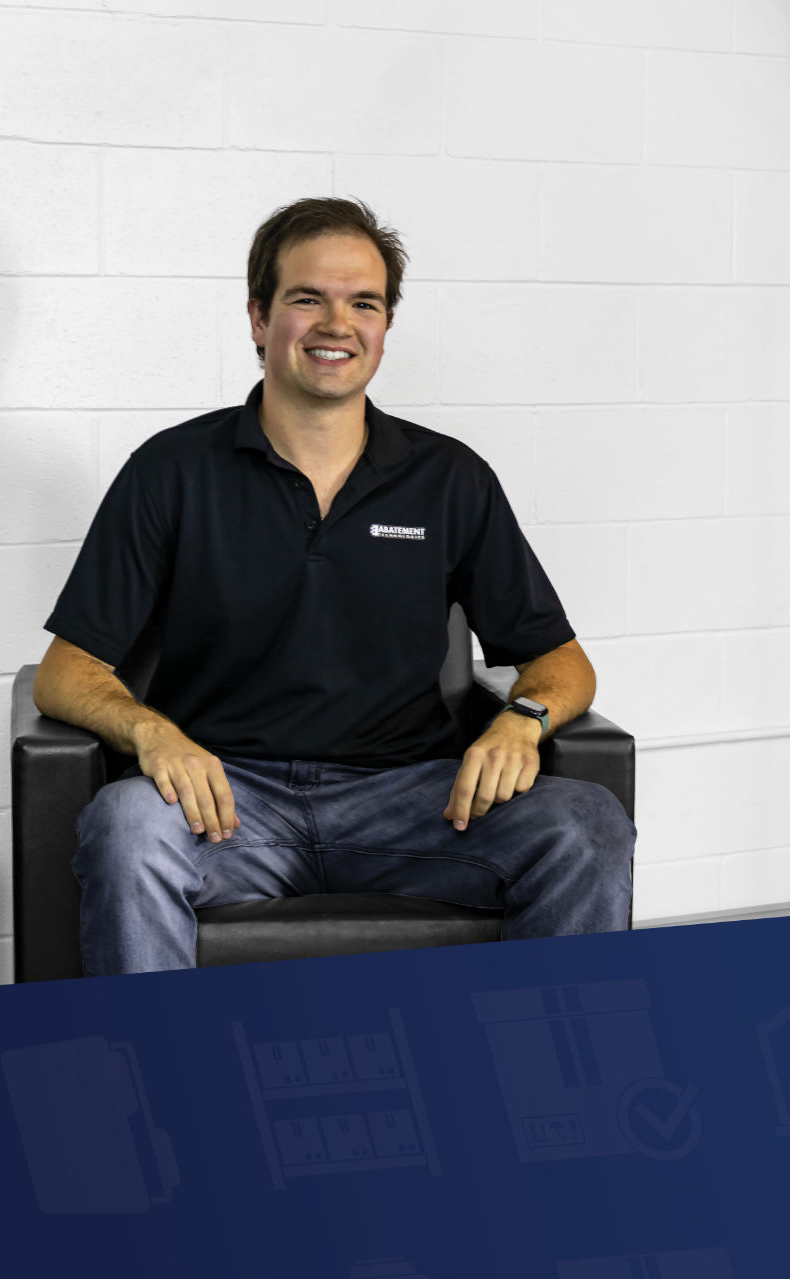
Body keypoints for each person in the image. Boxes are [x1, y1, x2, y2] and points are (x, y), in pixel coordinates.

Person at [34, 198, 634, 975]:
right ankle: (161, 1085)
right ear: (258, 317)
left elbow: (563, 662)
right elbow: (65, 671)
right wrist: (154, 732)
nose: (336, 324)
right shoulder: (172, 471)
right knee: (124, 826)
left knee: (586, 823)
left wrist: (521, 720)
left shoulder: (449, 478)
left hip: (418, 803)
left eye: (364, 303)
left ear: (385, 326)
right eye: (307, 298)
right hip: (223, 803)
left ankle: (540, 1077)